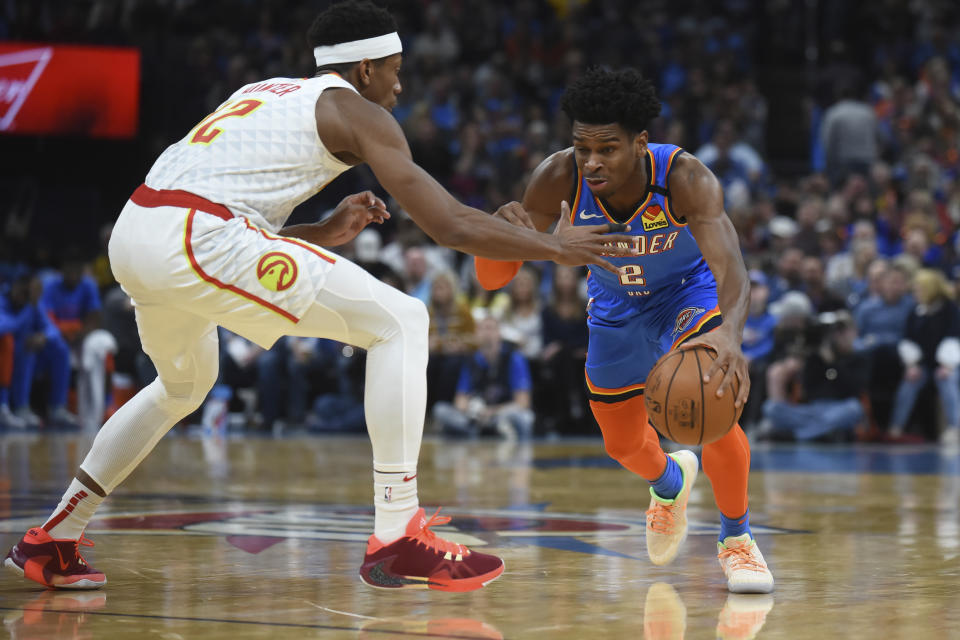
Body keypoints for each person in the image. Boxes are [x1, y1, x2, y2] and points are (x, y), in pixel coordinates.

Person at [3, 1, 635, 593]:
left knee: (183, 386)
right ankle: (397, 531)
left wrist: (324, 233)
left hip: (140, 231)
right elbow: (444, 223)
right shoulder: (359, 112)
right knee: (402, 320)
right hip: (196, 236)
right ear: (365, 68)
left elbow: (221, 206)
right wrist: (557, 248)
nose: (399, 86)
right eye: (394, 72)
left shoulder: (261, 92)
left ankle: (53, 537)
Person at [476, 67, 774, 593]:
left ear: (640, 143)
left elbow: (733, 270)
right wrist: (497, 241)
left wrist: (729, 333)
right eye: (581, 147)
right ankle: (670, 482)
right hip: (615, 307)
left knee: (713, 401)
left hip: (686, 295)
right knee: (621, 445)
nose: (591, 162)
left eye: (607, 149)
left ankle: (737, 540)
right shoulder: (556, 177)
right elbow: (494, 279)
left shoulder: (685, 178)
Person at [432, 314, 534, 440]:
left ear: (499, 333)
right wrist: (475, 410)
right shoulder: (471, 361)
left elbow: (523, 402)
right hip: (478, 417)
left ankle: (493, 430)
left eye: (491, 328)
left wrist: (492, 411)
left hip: (502, 413)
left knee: (525, 417)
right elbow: (460, 400)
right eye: (482, 328)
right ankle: (481, 432)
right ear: (476, 334)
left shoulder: (514, 358)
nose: (487, 333)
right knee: (440, 410)